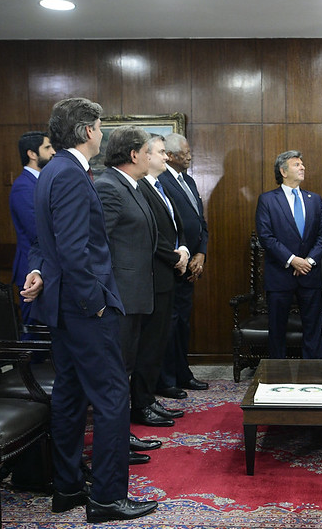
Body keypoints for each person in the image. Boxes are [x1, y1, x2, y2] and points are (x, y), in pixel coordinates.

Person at [21, 98, 157, 523]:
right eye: (98, 126)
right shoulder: (73, 175)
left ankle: (67, 487)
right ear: (85, 131)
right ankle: (107, 498)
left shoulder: (52, 171)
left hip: (63, 306)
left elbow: (46, 244)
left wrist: (39, 271)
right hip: (84, 309)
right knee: (113, 397)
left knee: (70, 395)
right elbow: (77, 250)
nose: (102, 132)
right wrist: (95, 304)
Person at [94, 126, 163, 462]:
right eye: (150, 151)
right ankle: (116, 443)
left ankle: (122, 436)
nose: (152, 157)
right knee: (117, 374)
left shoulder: (130, 185)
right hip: (118, 297)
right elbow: (97, 247)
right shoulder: (108, 186)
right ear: (135, 155)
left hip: (134, 295)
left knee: (126, 370)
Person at [132, 135, 189, 426]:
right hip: (153, 276)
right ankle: (141, 404)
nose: (167, 157)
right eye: (161, 153)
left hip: (167, 276)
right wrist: (174, 256)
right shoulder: (139, 188)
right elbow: (149, 238)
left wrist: (185, 250)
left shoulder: (159, 186)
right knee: (148, 346)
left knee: (157, 345)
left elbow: (174, 228)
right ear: (145, 156)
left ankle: (148, 400)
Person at [255, 150, 322, 359]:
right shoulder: (268, 200)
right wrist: (292, 260)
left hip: (310, 274)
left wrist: (309, 261)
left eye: (302, 164)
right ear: (283, 171)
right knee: (277, 330)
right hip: (280, 275)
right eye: (297, 164)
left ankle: (313, 375)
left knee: (313, 329)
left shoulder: (314, 199)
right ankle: (277, 376)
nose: (302, 167)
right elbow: (266, 237)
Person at [156, 133, 209, 399]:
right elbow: (168, 227)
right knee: (169, 326)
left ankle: (182, 373)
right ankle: (166, 380)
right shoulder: (160, 181)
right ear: (171, 156)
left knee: (182, 325)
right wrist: (183, 256)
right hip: (171, 266)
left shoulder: (187, 180)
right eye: (185, 153)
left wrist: (201, 253)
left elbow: (200, 222)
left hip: (190, 264)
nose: (190, 156)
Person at [10, 130, 54, 325]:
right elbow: (37, 231)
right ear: (32, 154)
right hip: (31, 268)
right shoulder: (23, 186)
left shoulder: (41, 181)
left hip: (45, 269)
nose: (53, 152)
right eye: (47, 147)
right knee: (33, 333)